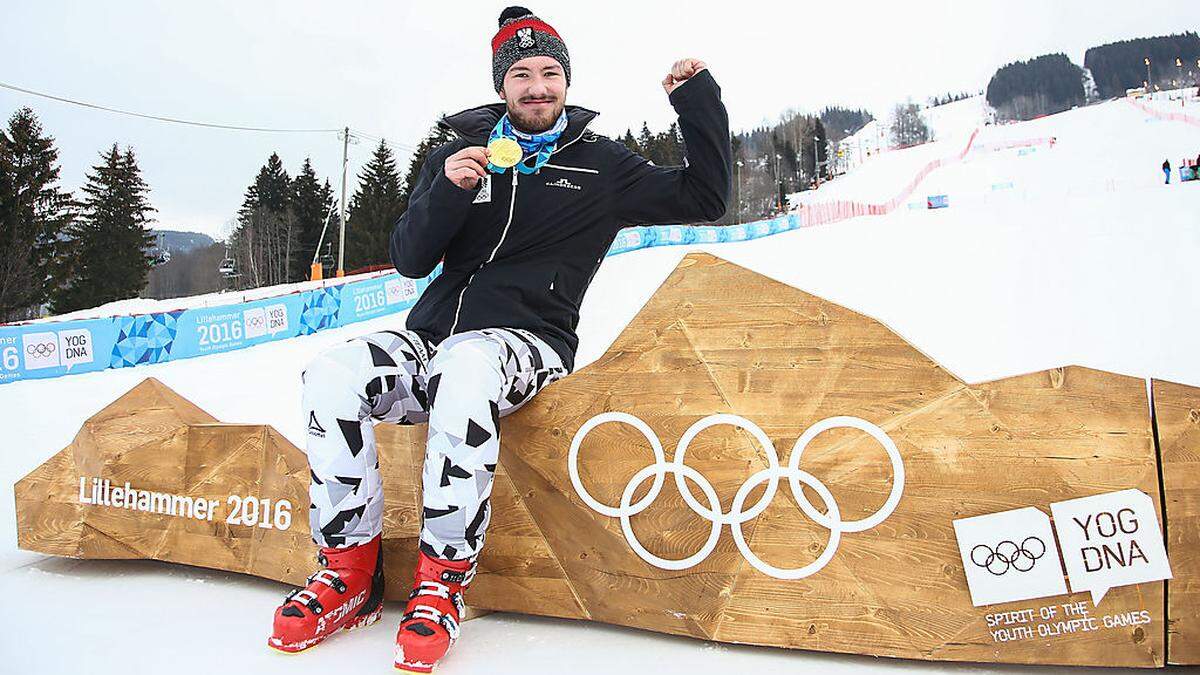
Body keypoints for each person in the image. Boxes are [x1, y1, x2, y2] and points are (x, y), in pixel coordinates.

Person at [268, 6, 731, 673]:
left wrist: (696, 101)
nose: (537, 86)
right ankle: (349, 571)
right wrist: (449, 192)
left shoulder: (603, 165)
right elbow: (407, 257)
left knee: (467, 364)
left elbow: (705, 195)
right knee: (333, 373)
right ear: (502, 85)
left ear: (565, 81)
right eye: (521, 74)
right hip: (431, 341)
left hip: (526, 345)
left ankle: (442, 579)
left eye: (549, 72)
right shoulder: (458, 152)